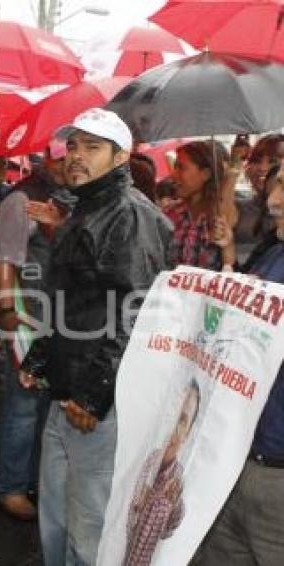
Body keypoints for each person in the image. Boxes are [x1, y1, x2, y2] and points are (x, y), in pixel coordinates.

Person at [20, 108, 172, 565]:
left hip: (97, 405)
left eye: (92, 147)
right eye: (72, 146)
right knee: (56, 520)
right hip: (67, 391)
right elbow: (71, 298)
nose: (76, 157)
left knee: (89, 531)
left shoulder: (129, 214)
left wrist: (93, 395)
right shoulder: (86, 207)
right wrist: (42, 357)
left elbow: (137, 310)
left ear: (121, 156)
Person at [194, 164, 284, 565]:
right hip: (235, 461)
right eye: (277, 184)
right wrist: (229, 257)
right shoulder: (274, 252)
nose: (273, 201)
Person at [0, 142, 72, 522]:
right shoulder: (21, 199)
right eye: (57, 157)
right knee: (24, 405)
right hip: (27, 318)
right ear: (45, 158)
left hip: (62, 320)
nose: (65, 164)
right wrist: (7, 309)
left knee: (47, 406)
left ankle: (36, 480)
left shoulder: (69, 202)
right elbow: (5, 257)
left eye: (69, 156)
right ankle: (10, 487)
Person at [123, 381, 201, 566]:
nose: (174, 428)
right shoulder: (144, 459)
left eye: (182, 421)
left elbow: (171, 529)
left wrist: (174, 506)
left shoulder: (180, 478)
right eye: (174, 413)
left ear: (187, 434)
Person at [165, 141, 235, 271]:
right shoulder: (170, 213)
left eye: (181, 167)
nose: (174, 175)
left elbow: (229, 264)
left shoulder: (219, 214)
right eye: (175, 167)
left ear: (206, 174)